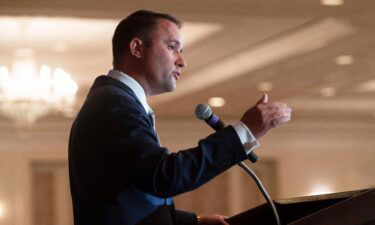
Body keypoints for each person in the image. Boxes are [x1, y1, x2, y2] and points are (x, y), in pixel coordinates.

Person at [68, 10, 292, 225]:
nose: (182, 61)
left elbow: (132, 194)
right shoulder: (114, 103)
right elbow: (163, 176)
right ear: (137, 48)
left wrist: (191, 221)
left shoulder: (116, 100)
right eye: (172, 47)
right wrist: (244, 131)